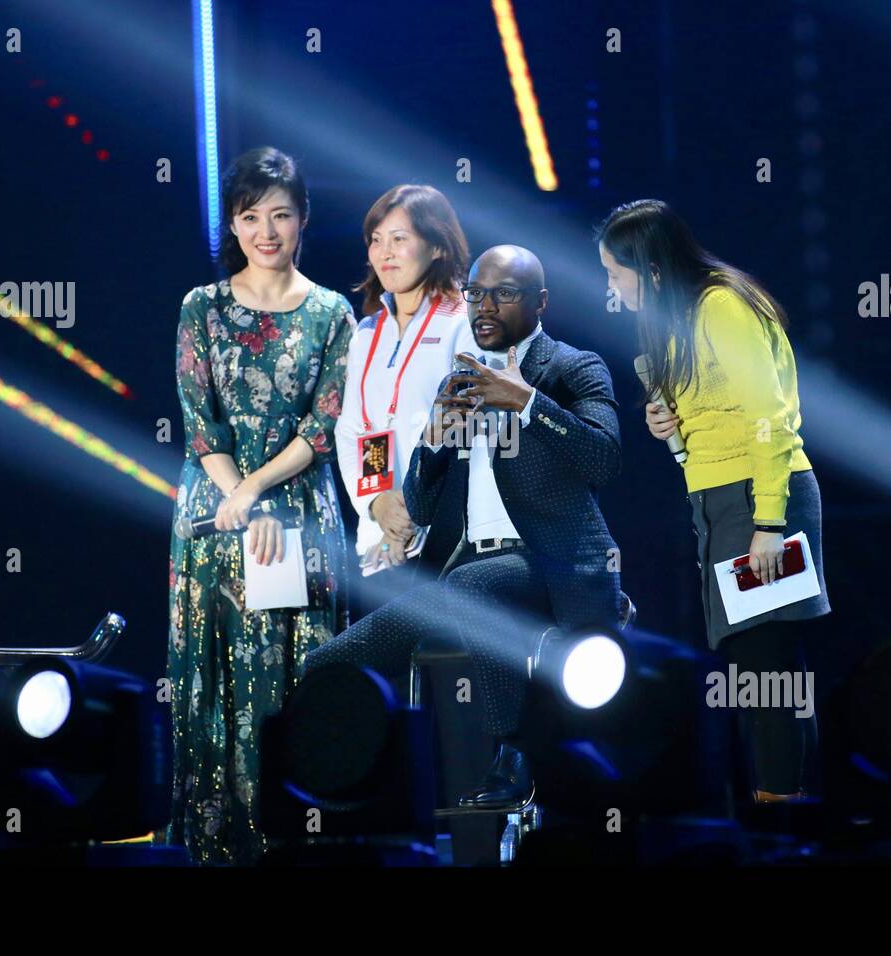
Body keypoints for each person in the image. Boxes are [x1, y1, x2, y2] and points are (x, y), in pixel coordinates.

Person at [306, 244, 623, 809]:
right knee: (328, 662)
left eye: (504, 294)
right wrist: (431, 440)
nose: (485, 307)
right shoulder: (461, 381)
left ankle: (513, 754)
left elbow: (602, 458)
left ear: (540, 303)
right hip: (468, 565)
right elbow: (422, 510)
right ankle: (363, 798)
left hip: (550, 562)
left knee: (472, 588)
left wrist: (525, 401)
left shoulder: (573, 368)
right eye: (476, 293)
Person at [596, 198, 831, 803]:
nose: (613, 290)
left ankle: (785, 817)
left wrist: (769, 522)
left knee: (767, 674)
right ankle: (782, 811)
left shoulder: (721, 306)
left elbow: (769, 417)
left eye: (615, 275)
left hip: (759, 499)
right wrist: (674, 435)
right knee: (755, 673)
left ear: (648, 269)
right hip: (721, 504)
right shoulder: (676, 324)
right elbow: (713, 430)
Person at [166, 147, 354, 863]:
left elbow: (324, 424)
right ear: (234, 225)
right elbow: (201, 423)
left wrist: (257, 489)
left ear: (303, 219)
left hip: (298, 507)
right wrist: (236, 493)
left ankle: (299, 836)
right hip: (216, 515)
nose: (266, 231)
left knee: (296, 674)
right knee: (218, 674)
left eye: (280, 214)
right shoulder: (201, 307)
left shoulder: (333, 312)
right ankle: (220, 842)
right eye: (251, 217)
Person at [334, 185, 474, 618]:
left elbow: (463, 429)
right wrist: (378, 500)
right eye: (376, 240)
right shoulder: (366, 332)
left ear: (435, 246)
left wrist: (413, 504)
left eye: (399, 239)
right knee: (383, 678)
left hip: (447, 536)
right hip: (381, 537)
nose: (385, 253)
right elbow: (359, 427)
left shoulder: (464, 321)